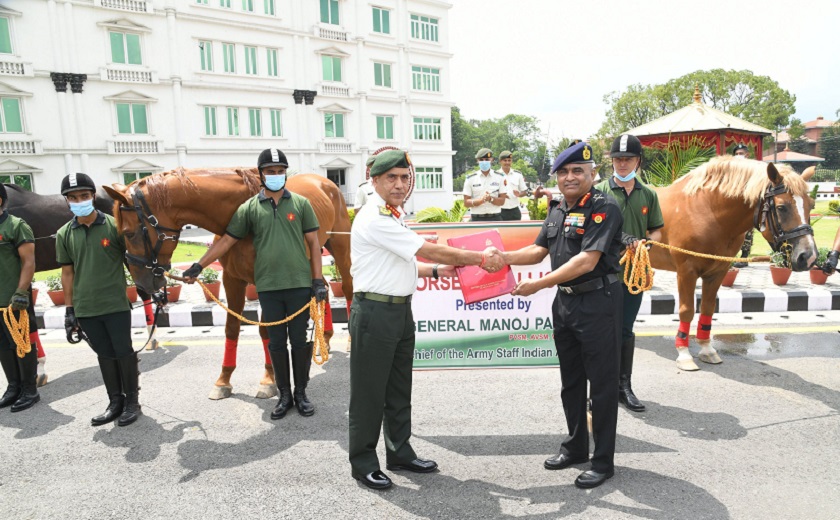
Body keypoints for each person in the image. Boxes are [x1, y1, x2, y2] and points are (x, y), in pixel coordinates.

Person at [349, 149, 504, 491]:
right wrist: (480, 257)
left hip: (400, 311)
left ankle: (400, 452)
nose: (400, 184)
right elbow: (426, 249)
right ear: (374, 180)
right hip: (375, 313)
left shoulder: (393, 215)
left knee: (398, 389)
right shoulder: (375, 217)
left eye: (405, 177)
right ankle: (362, 463)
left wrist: (436, 271)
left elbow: (405, 262)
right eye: (392, 177)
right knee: (369, 394)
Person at [501, 142, 624, 489]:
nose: (570, 177)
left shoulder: (604, 209)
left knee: (600, 386)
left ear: (592, 174)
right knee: (571, 382)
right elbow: (539, 250)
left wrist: (539, 285)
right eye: (564, 172)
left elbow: (586, 261)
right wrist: (501, 257)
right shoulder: (557, 208)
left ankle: (603, 462)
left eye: (577, 171)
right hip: (566, 304)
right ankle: (575, 447)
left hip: (599, 302)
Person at [183, 148, 327, 420]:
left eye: (280, 171)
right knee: (276, 342)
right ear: (261, 175)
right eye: (270, 171)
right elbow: (227, 240)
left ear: (285, 173)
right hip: (269, 286)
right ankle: (284, 395)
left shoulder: (301, 204)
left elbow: (314, 243)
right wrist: (199, 265)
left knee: (299, 341)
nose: (275, 175)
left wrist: (317, 281)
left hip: (298, 284)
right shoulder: (249, 208)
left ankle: (302, 394)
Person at [56, 173, 140, 426]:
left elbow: (133, 260)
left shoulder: (114, 225)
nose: (79, 200)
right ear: (67, 202)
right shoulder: (64, 233)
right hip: (86, 307)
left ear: (92, 196)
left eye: (84, 195)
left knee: (123, 352)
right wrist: (69, 310)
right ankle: (115, 401)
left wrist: (149, 287)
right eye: (73, 197)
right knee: (104, 355)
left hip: (115, 304)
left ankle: (133, 402)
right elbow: (67, 273)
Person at [595, 134, 663, 413]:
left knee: (625, 330)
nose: (623, 164)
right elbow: (592, 229)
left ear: (638, 161)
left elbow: (656, 228)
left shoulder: (648, 194)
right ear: (612, 161)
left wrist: (648, 242)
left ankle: (624, 386)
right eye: (618, 159)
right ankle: (599, 388)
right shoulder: (598, 191)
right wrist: (623, 239)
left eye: (628, 159)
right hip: (601, 272)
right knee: (600, 332)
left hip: (633, 273)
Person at [0, 182, 39, 412]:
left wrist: (20, 292)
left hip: (14, 299)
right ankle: (13, 387)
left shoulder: (16, 226)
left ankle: (29, 390)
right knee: (3, 346)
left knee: (22, 344)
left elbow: (29, 262)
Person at [463, 148, 510, 221]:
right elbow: (466, 202)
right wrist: (480, 201)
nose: (484, 162)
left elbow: (502, 201)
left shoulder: (500, 177)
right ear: (477, 161)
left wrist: (491, 199)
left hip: (495, 218)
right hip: (476, 219)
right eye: (481, 160)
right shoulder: (470, 178)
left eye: (487, 159)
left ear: (492, 160)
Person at [732, 143, 752, 267]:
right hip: (734, 205)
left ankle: (744, 257)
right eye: (737, 154)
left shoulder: (752, 168)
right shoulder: (733, 169)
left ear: (747, 155)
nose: (739, 156)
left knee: (747, 231)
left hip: (747, 203)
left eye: (741, 154)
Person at [498, 151, 528, 220]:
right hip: (500, 210)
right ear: (500, 161)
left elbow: (524, 191)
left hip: (514, 210)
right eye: (505, 160)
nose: (507, 163)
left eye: (509, 160)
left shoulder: (518, 175)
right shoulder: (496, 175)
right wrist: (500, 195)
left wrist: (519, 194)